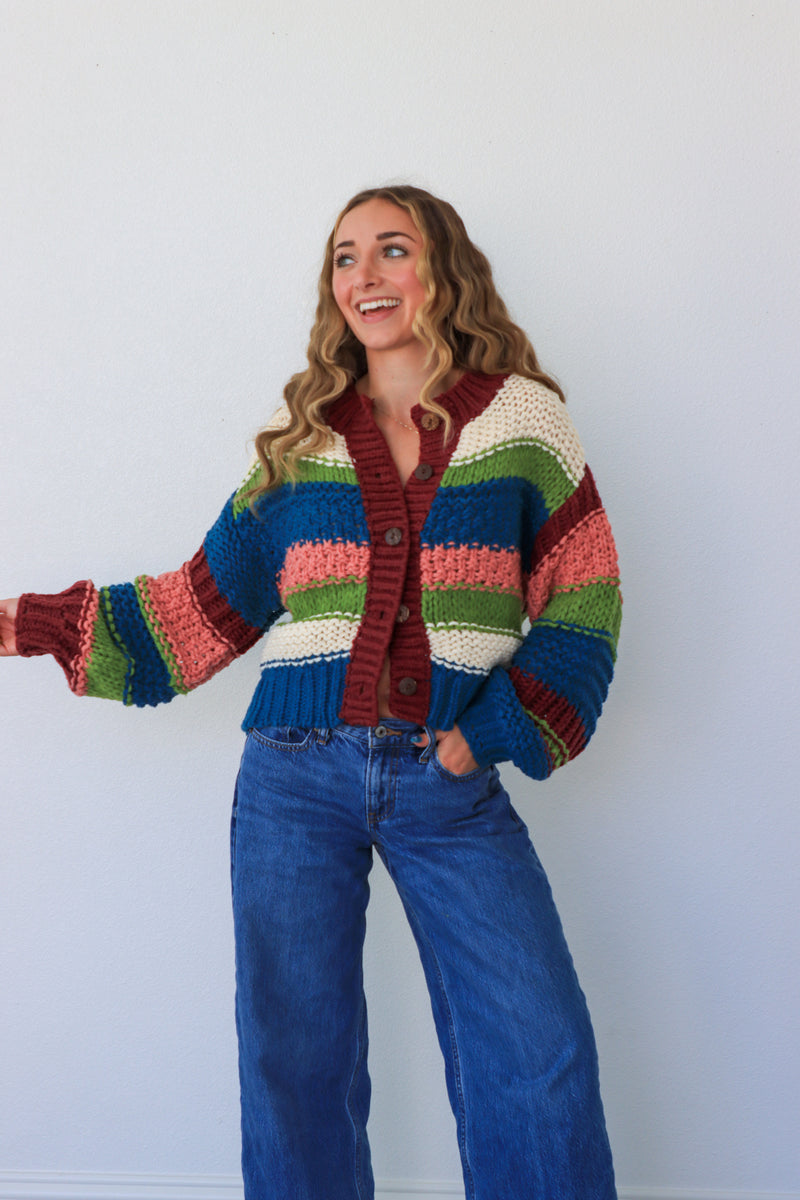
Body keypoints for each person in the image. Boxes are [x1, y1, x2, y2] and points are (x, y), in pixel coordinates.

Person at [0, 184, 622, 1200]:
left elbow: (584, 599)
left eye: (390, 250)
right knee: (294, 1062)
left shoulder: (523, 422)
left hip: (444, 781)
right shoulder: (302, 446)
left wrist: (490, 732)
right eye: (343, 257)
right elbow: (191, 613)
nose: (364, 276)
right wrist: (23, 625)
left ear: (441, 271)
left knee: (534, 1048)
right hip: (291, 780)